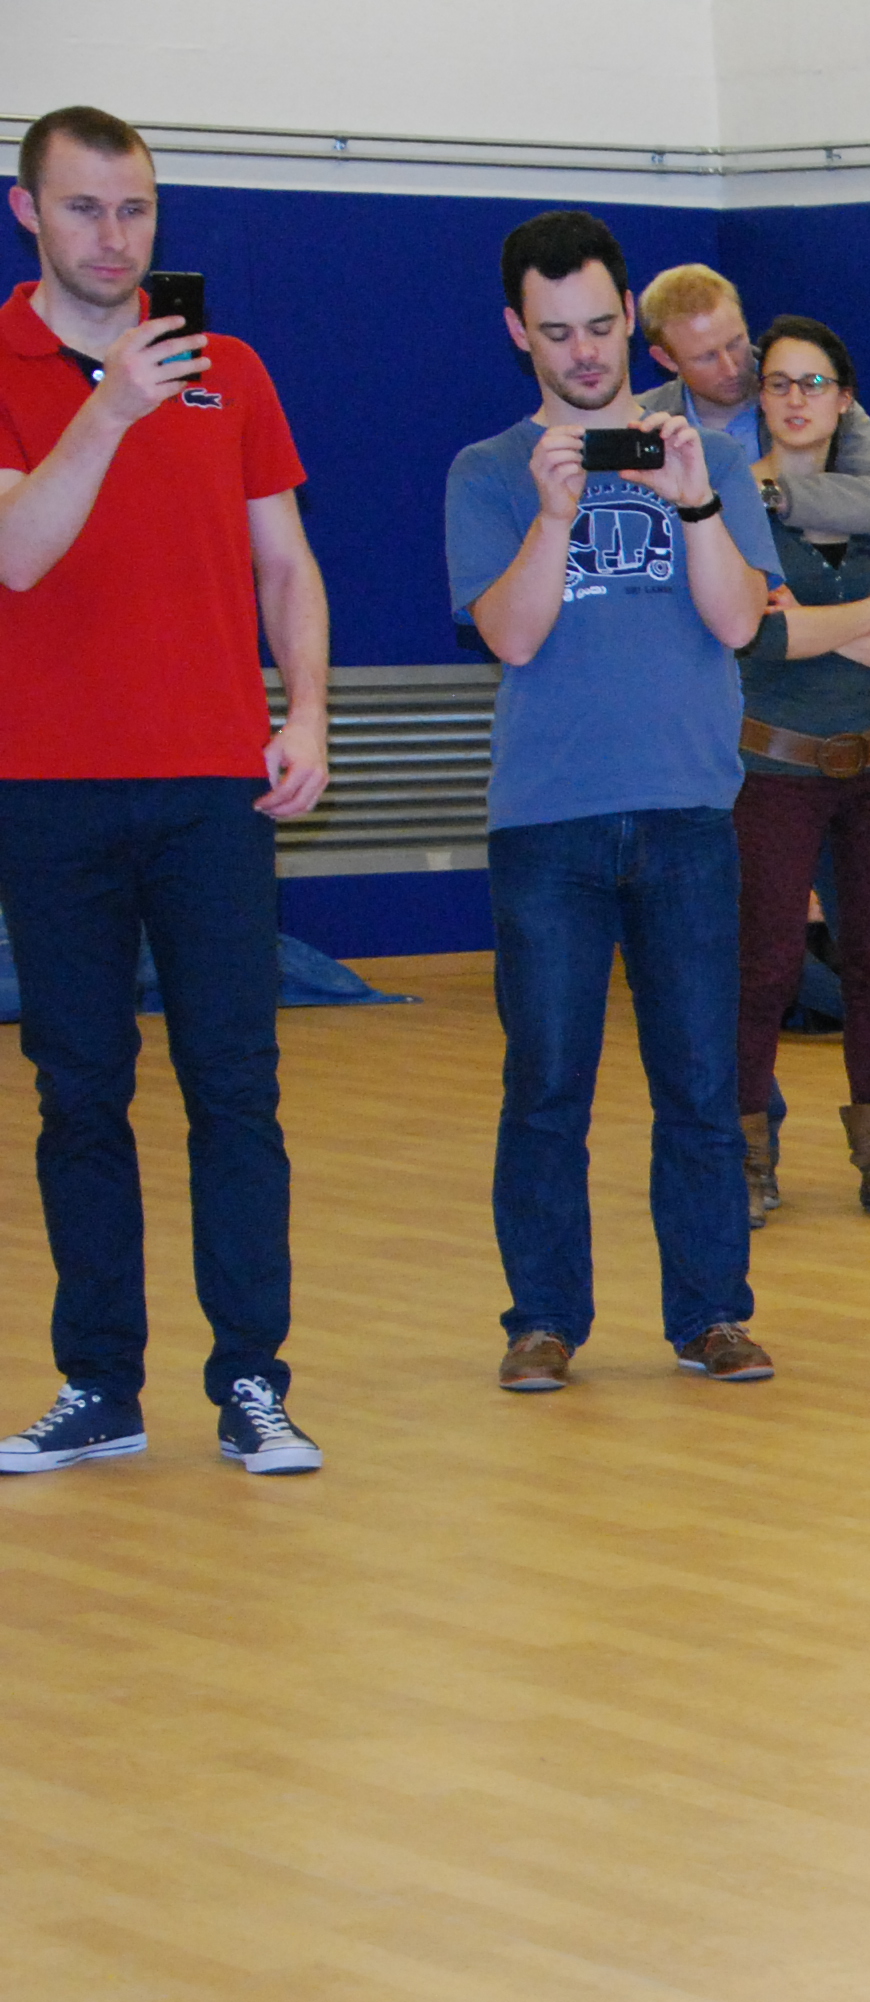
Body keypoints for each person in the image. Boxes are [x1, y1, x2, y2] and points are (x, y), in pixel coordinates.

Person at [0, 104, 330, 1478]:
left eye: (135, 209)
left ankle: (252, 1378)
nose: (114, 236)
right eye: (85, 207)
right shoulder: (11, 367)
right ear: (28, 211)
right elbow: (19, 551)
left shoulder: (230, 370)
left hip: (210, 786)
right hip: (49, 787)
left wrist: (305, 712)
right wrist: (110, 408)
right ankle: (100, 1384)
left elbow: (285, 563)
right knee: (80, 1091)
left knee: (235, 1089)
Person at [445, 209, 775, 1393]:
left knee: (700, 1081)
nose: (583, 353)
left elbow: (739, 619)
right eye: (555, 334)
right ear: (516, 332)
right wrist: (552, 515)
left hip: (687, 808)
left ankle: (710, 1313)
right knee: (546, 1085)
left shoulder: (711, 459)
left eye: (598, 326)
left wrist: (693, 502)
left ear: (630, 316)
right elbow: (511, 633)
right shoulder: (488, 471)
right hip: (548, 823)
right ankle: (542, 1318)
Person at [729, 317, 870, 1227]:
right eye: (779, 383)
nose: (796, 400)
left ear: (844, 399)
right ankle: (745, 1162)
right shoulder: (740, 504)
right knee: (765, 968)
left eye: (814, 383)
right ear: (760, 397)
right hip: (773, 769)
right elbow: (757, 640)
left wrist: (820, 622)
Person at [637, 265, 870, 536]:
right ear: (666, 359)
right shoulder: (642, 421)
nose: (731, 368)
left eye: (735, 343)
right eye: (706, 357)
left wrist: (773, 495)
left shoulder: (815, 396)